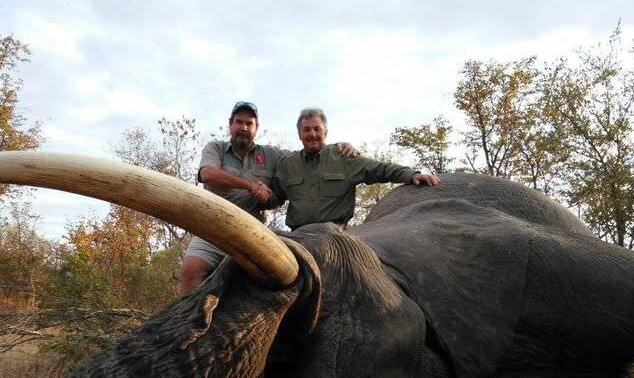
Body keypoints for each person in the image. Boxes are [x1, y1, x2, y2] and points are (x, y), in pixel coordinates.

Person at [179, 101, 358, 292]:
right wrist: (249, 185)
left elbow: (307, 154)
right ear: (230, 124)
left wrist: (337, 148)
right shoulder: (215, 148)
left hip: (251, 232)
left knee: (265, 286)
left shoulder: (271, 155)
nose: (244, 128)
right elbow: (208, 174)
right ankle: (190, 322)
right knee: (191, 270)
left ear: (256, 128)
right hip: (212, 227)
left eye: (249, 124)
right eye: (239, 122)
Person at [271, 108, 440, 231]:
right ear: (299, 134)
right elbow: (274, 196)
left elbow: (379, 168)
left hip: (335, 236)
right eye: (306, 130)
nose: (312, 134)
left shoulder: (343, 156)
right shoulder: (288, 164)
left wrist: (412, 175)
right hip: (298, 236)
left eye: (317, 129)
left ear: (326, 132)